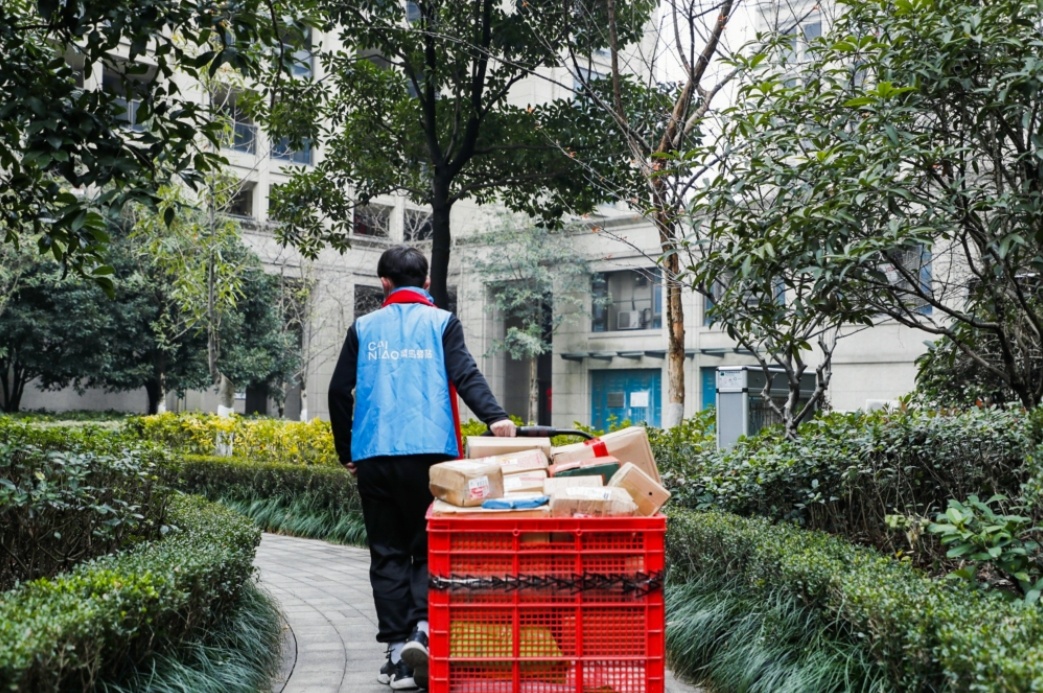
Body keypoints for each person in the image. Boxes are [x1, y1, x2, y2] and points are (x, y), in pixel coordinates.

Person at [329, 245, 516, 691]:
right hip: (433, 456)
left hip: (374, 455)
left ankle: (395, 654)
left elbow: (339, 391)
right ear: (427, 282)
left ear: (384, 284)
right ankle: (424, 630)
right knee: (428, 548)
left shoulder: (363, 328)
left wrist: (346, 451)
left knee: (387, 551)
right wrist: (495, 417)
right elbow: (465, 372)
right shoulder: (442, 322)